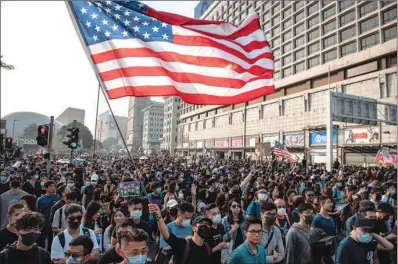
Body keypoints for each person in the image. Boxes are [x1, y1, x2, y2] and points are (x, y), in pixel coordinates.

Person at [36, 180, 61, 250]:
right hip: (44, 223)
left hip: (55, 223)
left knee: (52, 242)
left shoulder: (58, 197)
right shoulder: (40, 200)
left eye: (54, 186)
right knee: (42, 242)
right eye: (51, 186)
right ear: (46, 188)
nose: (53, 188)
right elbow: (38, 212)